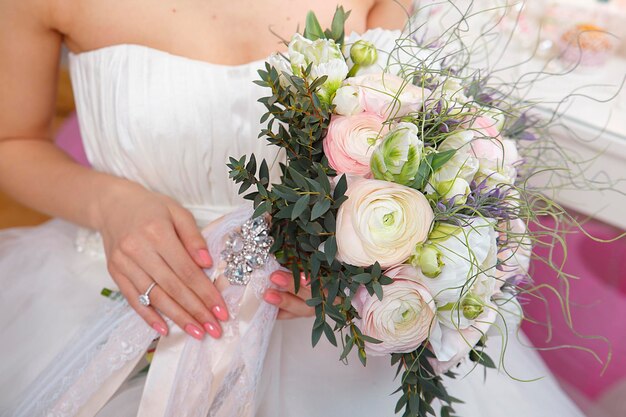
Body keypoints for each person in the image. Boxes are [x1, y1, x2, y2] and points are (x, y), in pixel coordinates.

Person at [0, 0, 589, 416]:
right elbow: (11, 141)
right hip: (128, 295)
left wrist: (365, 265)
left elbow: (417, 140)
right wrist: (110, 205)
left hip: (329, 326)